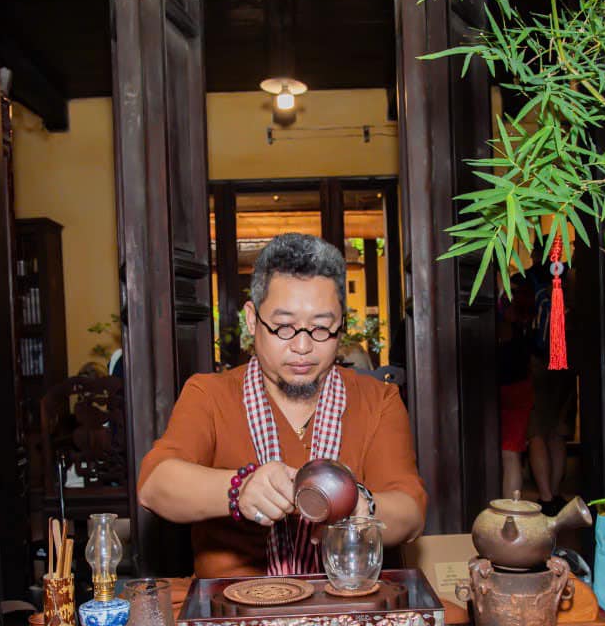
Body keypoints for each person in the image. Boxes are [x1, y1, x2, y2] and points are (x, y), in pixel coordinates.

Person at [138, 233, 427, 577]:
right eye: (284, 327)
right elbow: (155, 485)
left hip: (344, 606)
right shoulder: (210, 395)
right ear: (251, 319)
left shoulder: (377, 399)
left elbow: (409, 512)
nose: (303, 346)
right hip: (235, 613)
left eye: (321, 328)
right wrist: (239, 489)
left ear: (342, 325)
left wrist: (355, 506)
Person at [524, 242, 578, 511]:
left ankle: (544, 496)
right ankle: (556, 493)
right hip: (566, 361)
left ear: (536, 255)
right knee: (558, 432)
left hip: (537, 362)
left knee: (536, 431)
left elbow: (515, 315)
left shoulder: (526, 280)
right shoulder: (568, 279)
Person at [496, 271, 535, 498]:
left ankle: (505, 511)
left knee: (505, 455)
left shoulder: (497, 313)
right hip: (520, 384)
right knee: (511, 454)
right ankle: (511, 512)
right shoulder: (526, 304)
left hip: (499, 386)